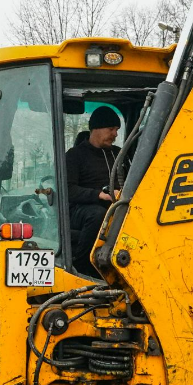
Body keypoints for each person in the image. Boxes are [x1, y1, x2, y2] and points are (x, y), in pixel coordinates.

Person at [65, 106, 121, 275]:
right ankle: (83, 267)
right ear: (96, 128)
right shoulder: (75, 155)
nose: (115, 134)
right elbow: (68, 190)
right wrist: (99, 195)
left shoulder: (119, 154)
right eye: (111, 129)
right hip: (79, 209)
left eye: (117, 130)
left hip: (116, 204)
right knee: (97, 214)